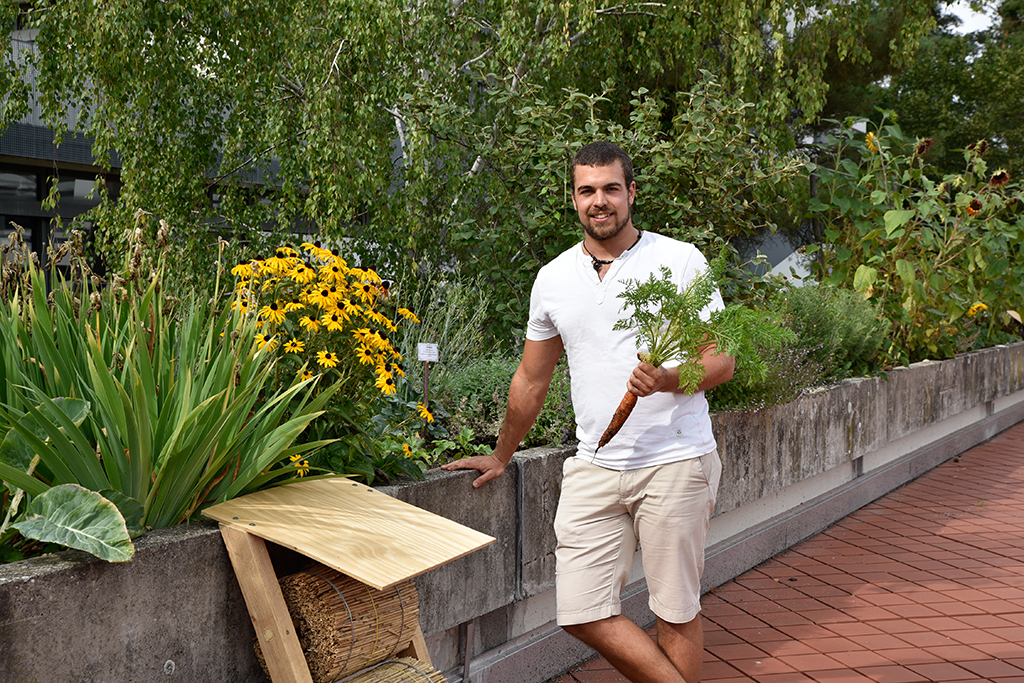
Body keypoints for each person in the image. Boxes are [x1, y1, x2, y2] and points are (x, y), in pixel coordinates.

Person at [441, 141, 734, 683]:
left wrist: (668, 379)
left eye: (611, 189)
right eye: (587, 190)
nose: (600, 201)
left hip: (675, 462)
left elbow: (722, 360)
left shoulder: (679, 260)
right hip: (593, 464)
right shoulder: (553, 278)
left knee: (674, 610)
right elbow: (532, 379)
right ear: (574, 199)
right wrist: (502, 455)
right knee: (580, 611)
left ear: (631, 193)